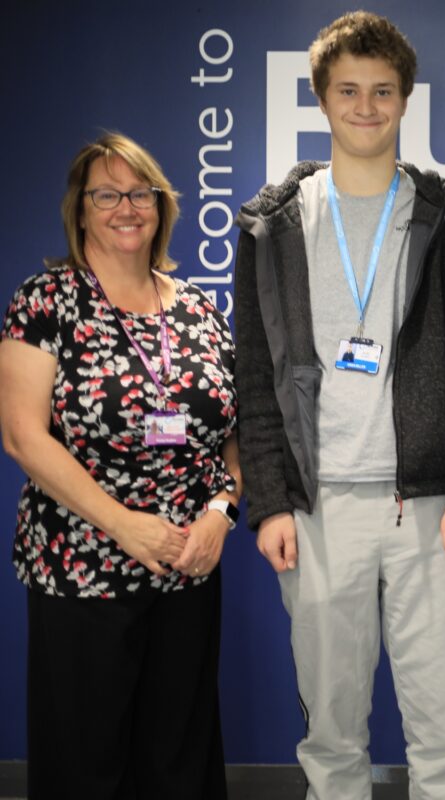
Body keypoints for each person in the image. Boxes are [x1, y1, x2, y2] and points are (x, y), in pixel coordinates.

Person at [233, 11, 445, 800]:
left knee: (443, 729)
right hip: (317, 513)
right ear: (322, 99)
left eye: (382, 91)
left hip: (424, 510)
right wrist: (271, 503)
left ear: (404, 100)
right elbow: (256, 375)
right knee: (331, 729)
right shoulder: (271, 225)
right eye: (348, 90)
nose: (365, 106)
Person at [0, 133, 240, 798]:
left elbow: (234, 433)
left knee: (178, 760)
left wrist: (222, 512)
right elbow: (22, 435)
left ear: (162, 207)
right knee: (86, 762)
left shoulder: (197, 308)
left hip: (187, 566)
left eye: (140, 194)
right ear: (80, 211)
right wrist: (123, 524)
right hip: (82, 567)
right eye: (106, 194)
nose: (125, 208)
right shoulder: (46, 301)